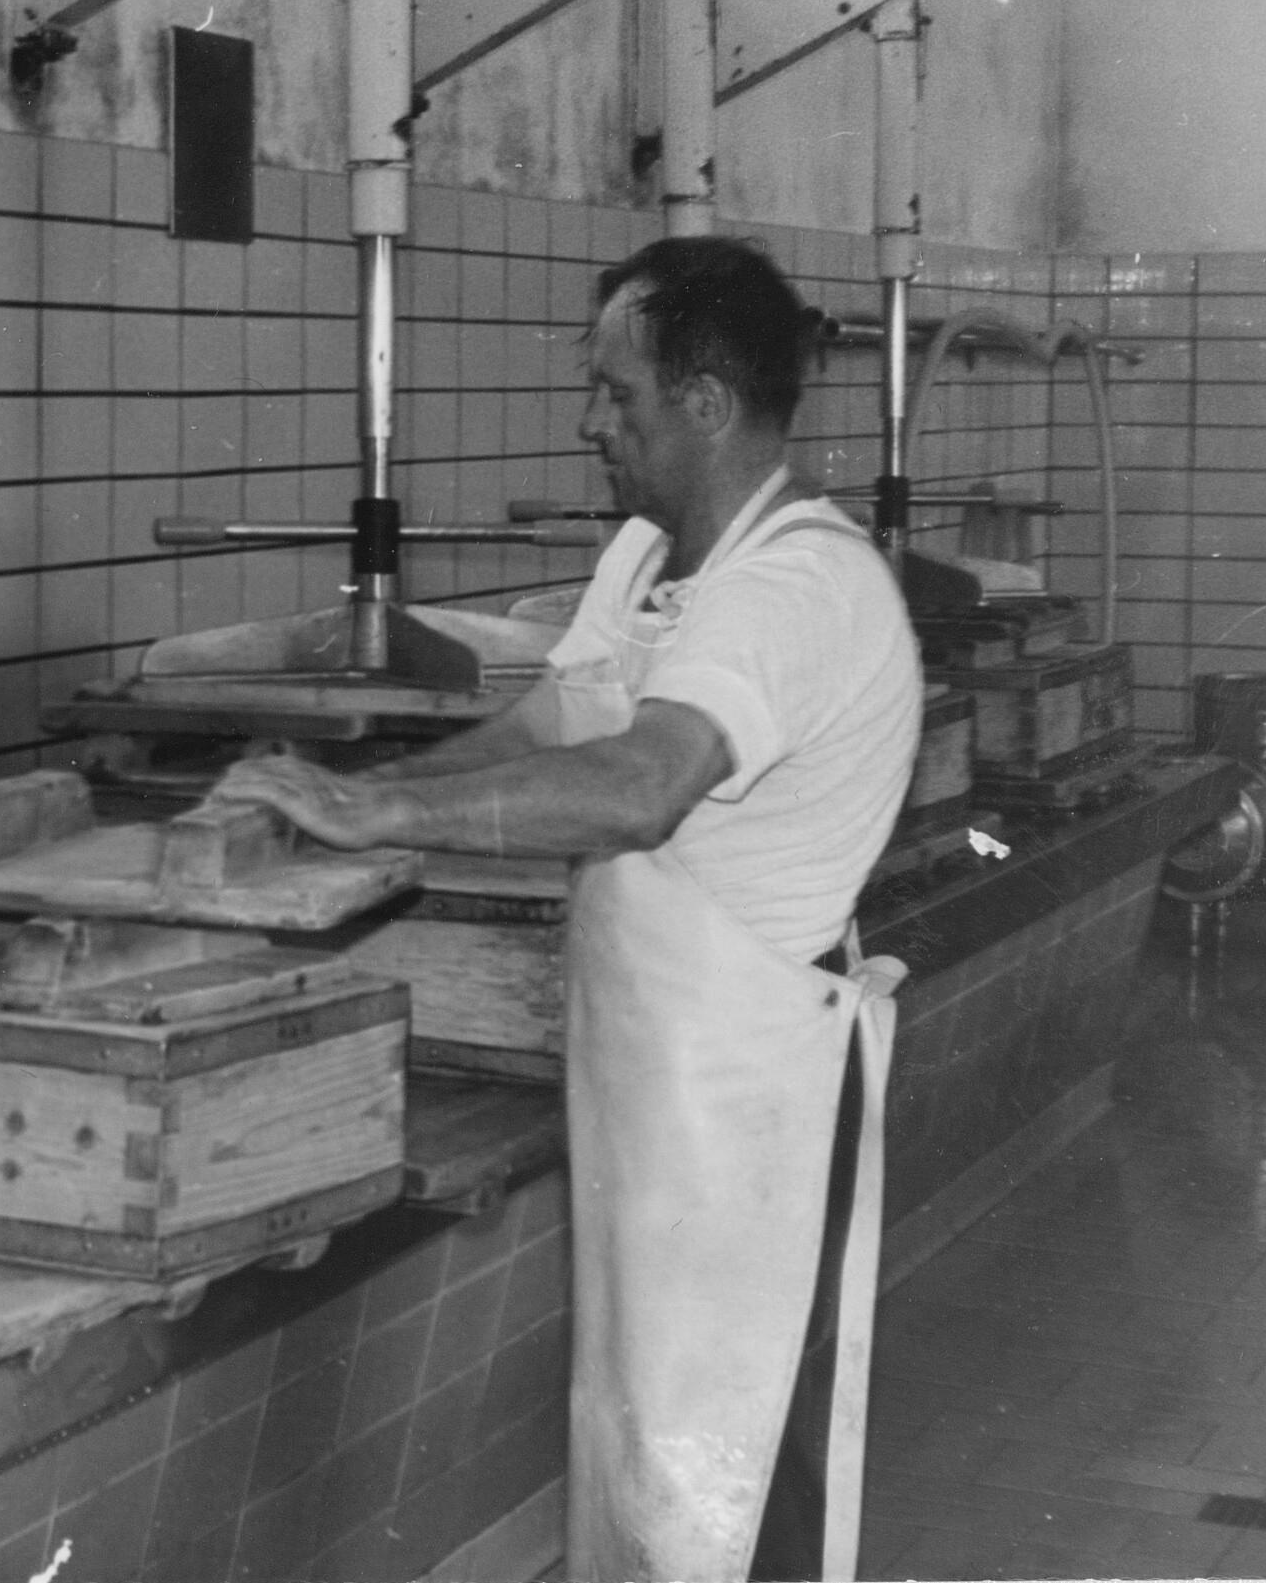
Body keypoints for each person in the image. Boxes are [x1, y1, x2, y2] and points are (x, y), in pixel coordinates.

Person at [217, 235, 921, 1583]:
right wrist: (362, 792)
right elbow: (554, 722)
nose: (592, 422)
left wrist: (386, 820)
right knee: (643, 1456)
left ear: (705, 404)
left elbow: (641, 786)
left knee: (737, 1469)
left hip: (758, 1099)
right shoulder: (652, 555)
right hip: (652, 1085)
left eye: (618, 393)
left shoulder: (799, 586)